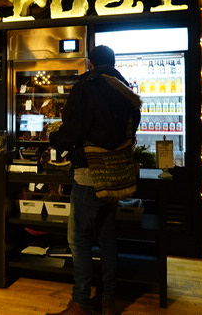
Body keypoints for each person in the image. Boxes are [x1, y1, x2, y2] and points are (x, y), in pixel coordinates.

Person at [47, 45, 142, 315]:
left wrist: (54, 138)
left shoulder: (86, 87)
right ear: (113, 63)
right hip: (115, 174)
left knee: (79, 239)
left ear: (90, 63)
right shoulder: (125, 89)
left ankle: (81, 301)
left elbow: (75, 131)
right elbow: (132, 127)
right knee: (107, 237)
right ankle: (108, 299)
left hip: (90, 172)